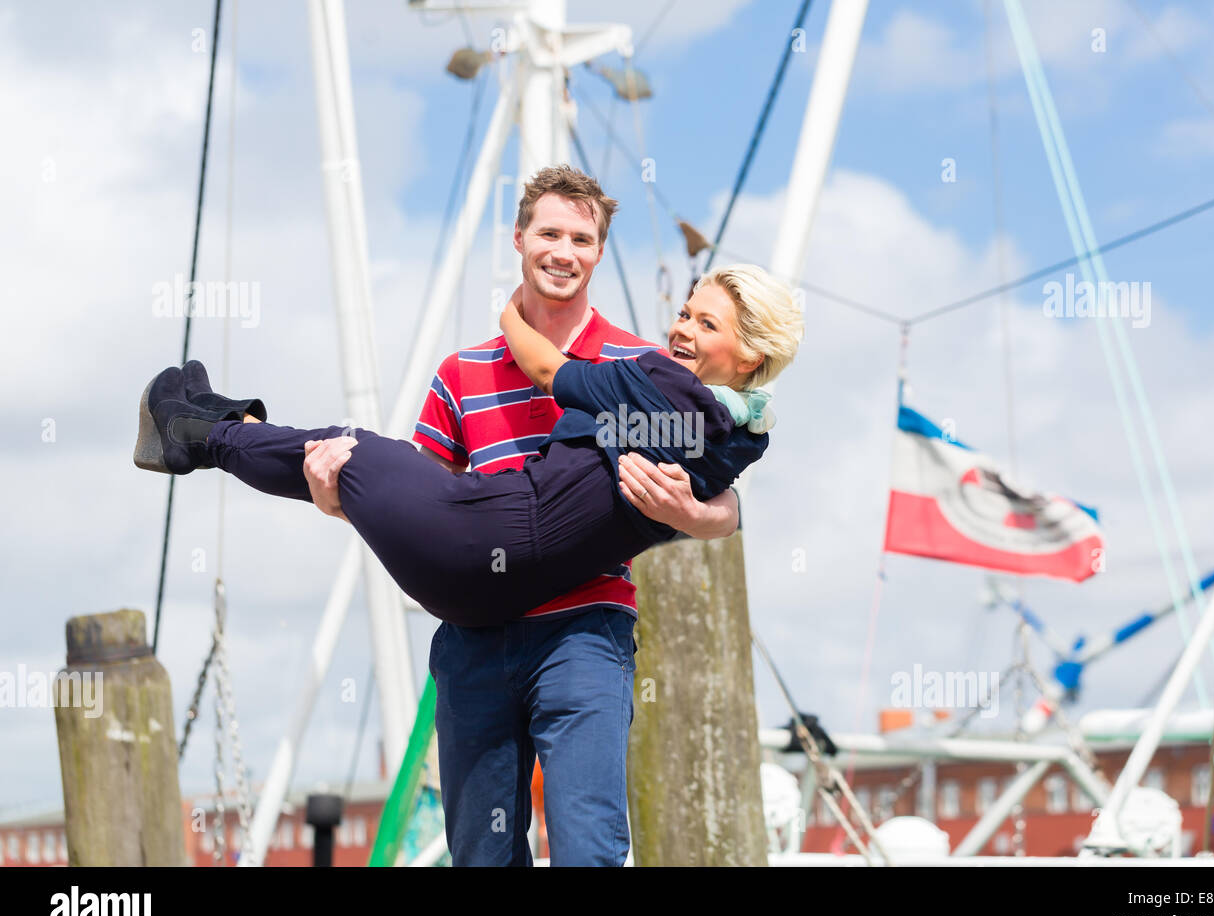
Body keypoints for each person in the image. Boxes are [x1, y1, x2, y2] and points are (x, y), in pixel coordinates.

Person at [137, 165, 802, 866]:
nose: (562, 250)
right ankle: (210, 428)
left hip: (579, 630)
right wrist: (333, 494)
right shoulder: (463, 374)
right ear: (519, 239)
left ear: (599, 252)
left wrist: (702, 517)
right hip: (476, 625)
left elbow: (695, 482)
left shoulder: (650, 364)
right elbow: (420, 503)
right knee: (483, 856)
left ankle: (201, 431)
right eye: (549, 232)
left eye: (581, 237)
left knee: (590, 845)